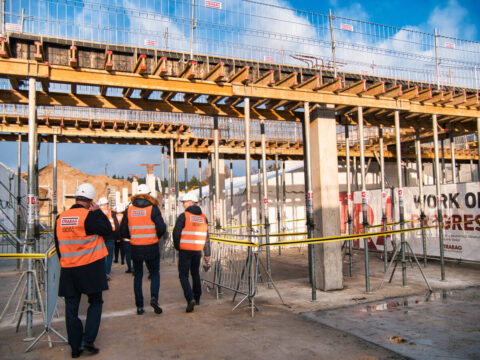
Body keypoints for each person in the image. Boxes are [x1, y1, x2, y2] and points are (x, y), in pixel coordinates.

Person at [54, 183, 112, 358]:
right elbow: (108, 230)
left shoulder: (60, 218)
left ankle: (74, 347)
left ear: (76, 198)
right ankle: (88, 340)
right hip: (90, 268)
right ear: (91, 201)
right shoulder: (89, 216)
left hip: (69, 270)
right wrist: (98, 212)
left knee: (71, 308)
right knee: (95, 302)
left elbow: (58, 246)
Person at [119, 184, 166, 315]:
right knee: (155, 273)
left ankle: (139, 306)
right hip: (151, 246)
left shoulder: (129, 210)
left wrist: (133, 236)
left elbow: (123, 230)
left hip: (136, 247)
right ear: (148, 194)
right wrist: (155, 236)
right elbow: (162, 228)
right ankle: (154, 298)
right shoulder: (153, 208)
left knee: (138, 276)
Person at [172, 192, 210, 313]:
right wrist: (207, 254)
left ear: (191, 202)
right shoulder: (203, 217)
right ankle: (197, 298)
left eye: (184, 202)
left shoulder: (184, 216)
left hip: (185, 250)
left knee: (183, 275)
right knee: (195, 274)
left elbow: (176, 233)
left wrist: (178, 247)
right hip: (197, 250)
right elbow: (206, 237)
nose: (183, 204)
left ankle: (190, 298)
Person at [98, 197, 115, 280]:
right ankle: (107, 272)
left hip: (100, 236)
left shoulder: (96, 212)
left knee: (101, 255)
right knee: (109, 255)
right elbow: (114, 226)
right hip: (110, 236)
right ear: (106, 204)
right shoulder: (110, 212)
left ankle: (101, 272)